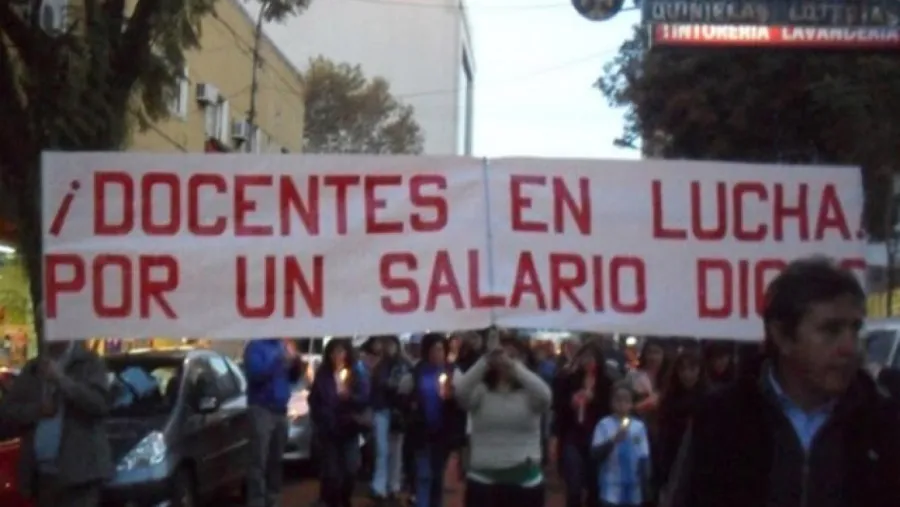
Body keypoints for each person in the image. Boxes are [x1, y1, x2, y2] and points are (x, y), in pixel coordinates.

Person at [666, 257, 900, 507]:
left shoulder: (884, 423)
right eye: (831, 330)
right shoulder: (721, 419)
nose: (849, 347)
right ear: (782, 336)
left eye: (855, 329)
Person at [0, 340, 112, 507]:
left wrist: (62, 380)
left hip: (79, 476)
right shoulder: (34, 368)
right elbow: (8, 412)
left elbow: (98, 404)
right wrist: (37, 410)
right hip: (42, 476)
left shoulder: (89, 363)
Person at [454, 332, 551, 507]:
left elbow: (546, 396)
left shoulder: (531, 394)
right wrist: (484, 361)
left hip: (524, 479)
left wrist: (515, 367)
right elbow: (461, 392)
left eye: (513, 356)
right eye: (502, 356)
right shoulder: (481, 391)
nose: (505, 360)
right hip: (484, 478)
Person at [309, 339, 371, 507]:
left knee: (351, 469)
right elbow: (314, 400)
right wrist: (320, 418)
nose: (337, 356)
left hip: (349, 428)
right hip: (329, 430)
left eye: (340, 351)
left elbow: (364, 398)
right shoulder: (323, 375)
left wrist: (349, 397)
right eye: (333, 352)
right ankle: (333, 501)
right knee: (332, 472)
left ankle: (345, 498)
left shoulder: (356, 373)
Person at [243, 338, 304, 507]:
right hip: (261, 409)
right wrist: (278, 361)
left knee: (276, 460)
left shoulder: (282, 345)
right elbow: (255, 374)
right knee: (259, 460)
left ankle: (274, 500)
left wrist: (296, 363)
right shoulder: (255, 346)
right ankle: (257, 502)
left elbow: (292, 378)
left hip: (281, 410)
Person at [553, 342, 613, 507]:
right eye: (585, 356)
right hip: (573, 435)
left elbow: (610, 410)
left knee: (595, 485)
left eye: (592, 357)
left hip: (597, 436)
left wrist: (594, 400)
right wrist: (571, 402)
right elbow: (557, 404)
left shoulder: (606, 382)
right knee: (574, 484)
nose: (589, 361)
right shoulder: (569, 379)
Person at [404, 332, 456, 507]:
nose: (437, 354)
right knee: (424, 475)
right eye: (434, 350)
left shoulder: (453, 372)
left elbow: (464, 399)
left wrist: (451, 397)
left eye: (440, 349)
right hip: (421, 432)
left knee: (438, 476)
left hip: (443, 432)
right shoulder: (416, 372)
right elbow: (402, 395)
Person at [591, 381, 651, 507]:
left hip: (634, 492)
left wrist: (646, 488)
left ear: (631, 404)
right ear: (611, 402)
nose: (621, 404)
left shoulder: (639, 427)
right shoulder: (603, 425)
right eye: (618, 400)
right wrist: (613, 441)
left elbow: (644, 458)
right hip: (610, 491)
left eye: (626, 400)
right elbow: (595, 455)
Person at [656, 348, 707, 487]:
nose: (687, 374)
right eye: (682, 369)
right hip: (672, 460)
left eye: (692, 368)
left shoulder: (708, 399)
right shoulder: (670, 398)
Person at [369, 335, 410, 504]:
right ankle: (380, 486)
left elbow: (403, 385)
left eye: (390, 343)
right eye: (385, 343)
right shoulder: (380, 365)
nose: (387, 347)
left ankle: (393, 485)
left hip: (396, 411)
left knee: (395, 450)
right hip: (382, 409)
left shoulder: (402, 364)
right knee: (382, 449)